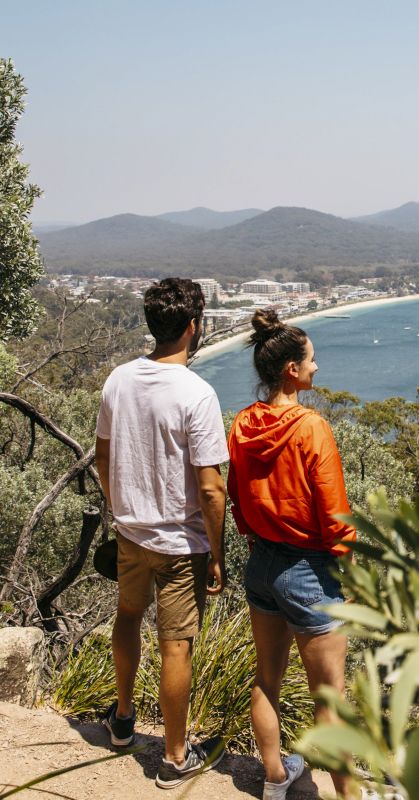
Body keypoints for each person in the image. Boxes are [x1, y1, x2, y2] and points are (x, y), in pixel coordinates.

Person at [94, 278, 229, 789]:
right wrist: (216, 554)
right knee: (177, 646)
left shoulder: (118, 380)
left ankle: (123, 719)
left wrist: (121, 507)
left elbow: (105, 457)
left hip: (130, 533)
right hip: (180, 543)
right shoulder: (197, 394)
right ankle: (175, 758)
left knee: (128, 616)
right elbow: (212, 488)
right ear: (194, 327)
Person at [227, 309, 359, 800]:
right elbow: (333, 512)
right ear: (290, 370)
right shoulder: (311, 428)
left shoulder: (243, 424)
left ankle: (275, 779)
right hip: (309, 571)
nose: (316, 367)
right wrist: (347, 567)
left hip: (261, 564)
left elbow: (236, 492)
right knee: (331, 700)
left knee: (267, 679)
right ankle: (347, 795)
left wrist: (251, 535)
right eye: (312, 359)